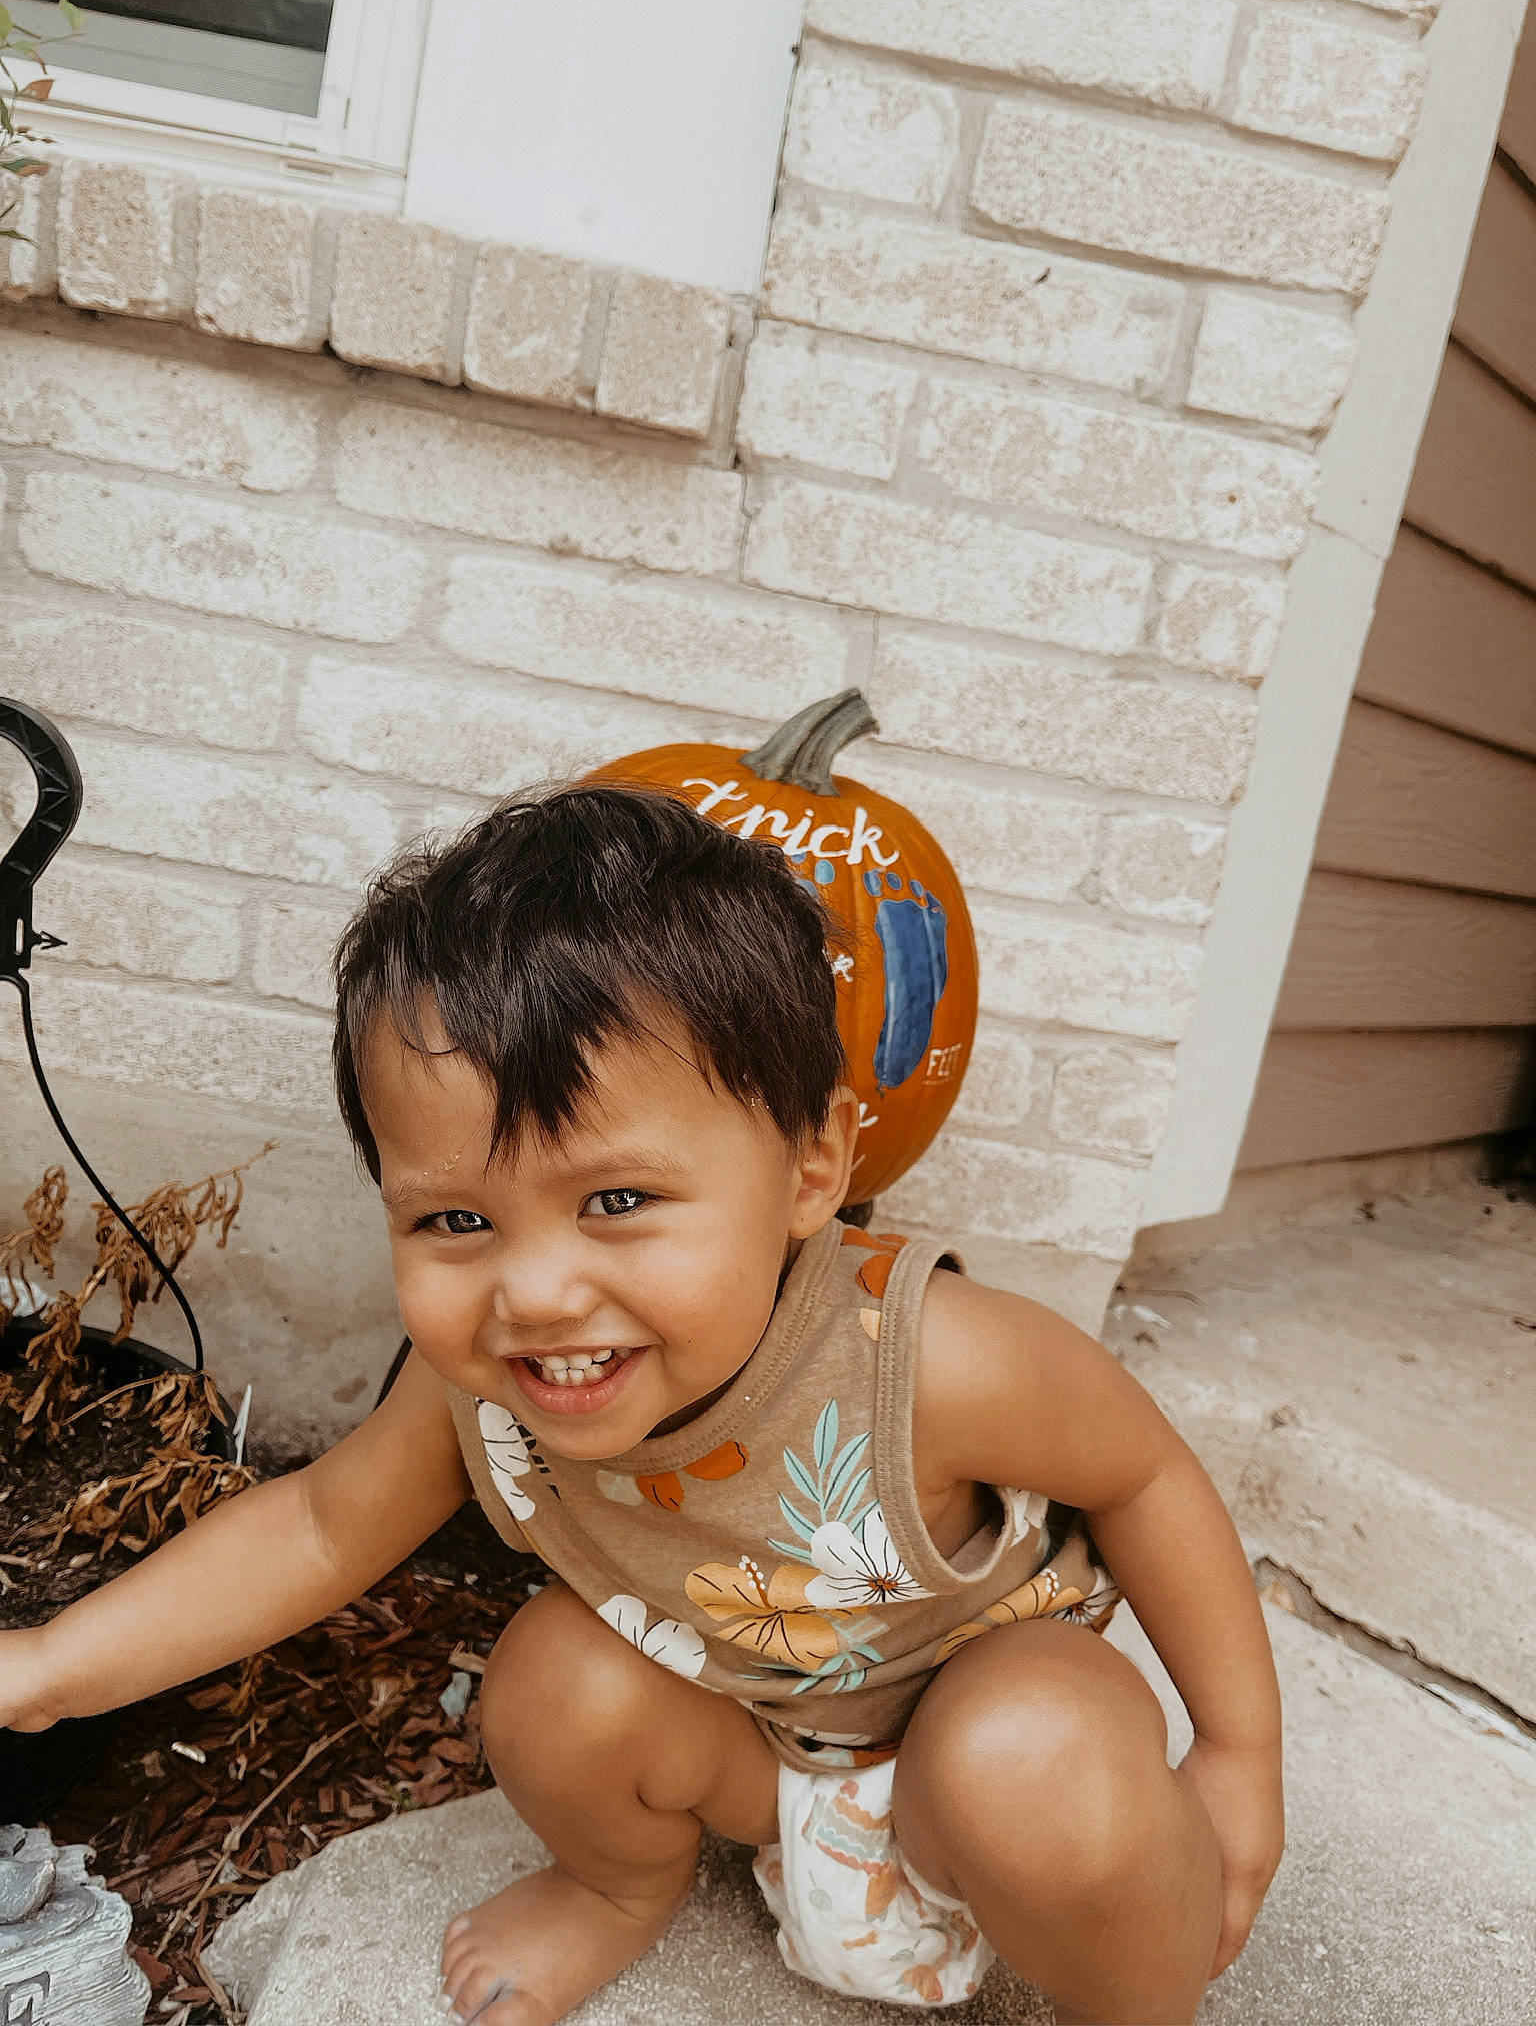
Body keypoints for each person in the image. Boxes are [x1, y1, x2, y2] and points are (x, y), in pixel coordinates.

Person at [0, 785, 1284, 2026]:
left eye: (616, 1201)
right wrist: (48, 1669)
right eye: (456, 1219)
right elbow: (320, 1526)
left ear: (811, 1164)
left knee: (1032, 1755)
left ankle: (1130, 2004)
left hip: (990, 1767)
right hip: (761, 1762)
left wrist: (1236, 1753)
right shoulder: (476, 1389)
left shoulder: (928, 1358)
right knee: (555, 1679)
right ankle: (617, 1886)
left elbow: (1145, 1474)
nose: (536, 1294)